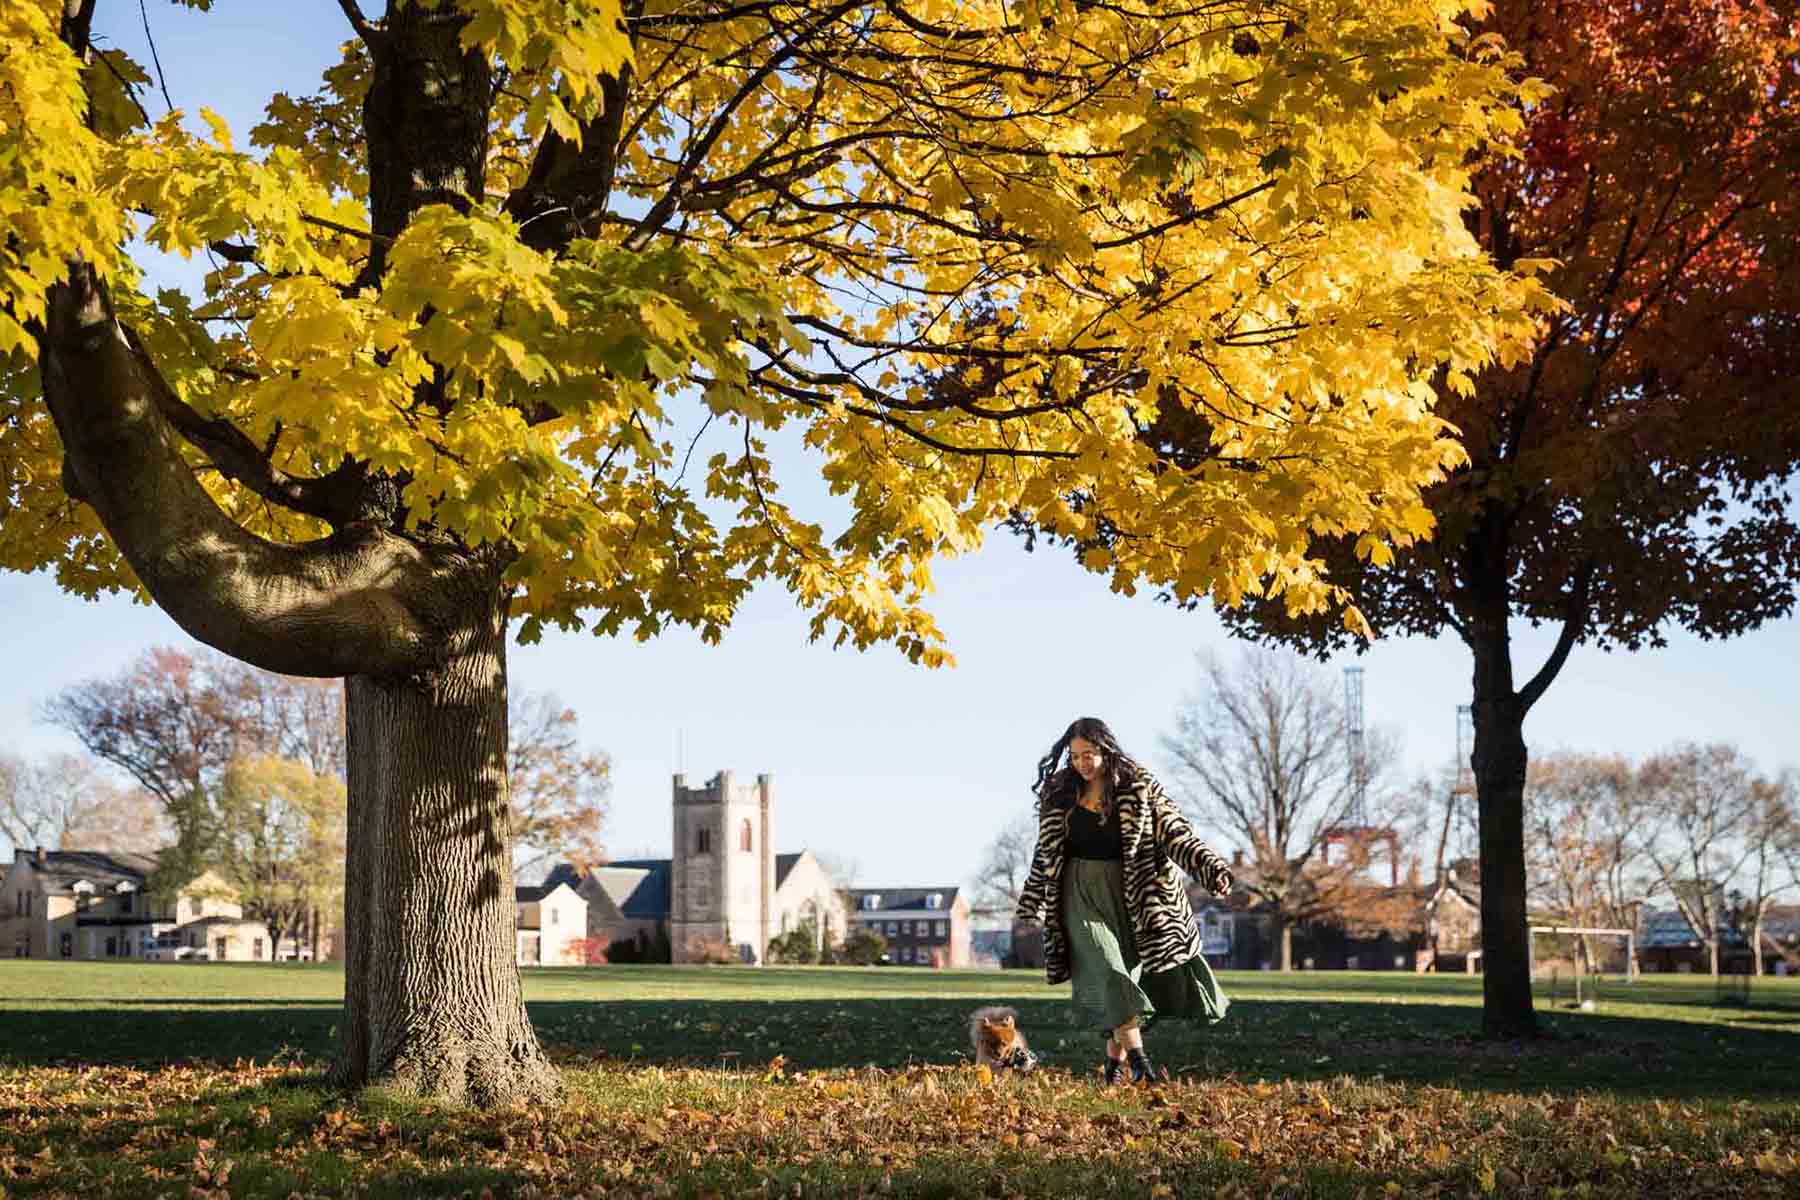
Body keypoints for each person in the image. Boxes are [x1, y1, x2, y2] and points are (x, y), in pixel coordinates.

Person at [1014, 716, 1233, 1085]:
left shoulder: (1139, 786)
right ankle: (1141, 1065)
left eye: (1090, 754)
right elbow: (1045, 853)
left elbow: (1175, 832)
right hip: (1079, 894)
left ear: (1107, 750)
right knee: (1106, 969)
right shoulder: (1061, 792)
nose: (1082, 763)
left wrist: (1208, 867)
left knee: (1124, 977)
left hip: (1131, 895)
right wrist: (1032, 898)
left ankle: (1112, 1070)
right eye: (1075, 756)